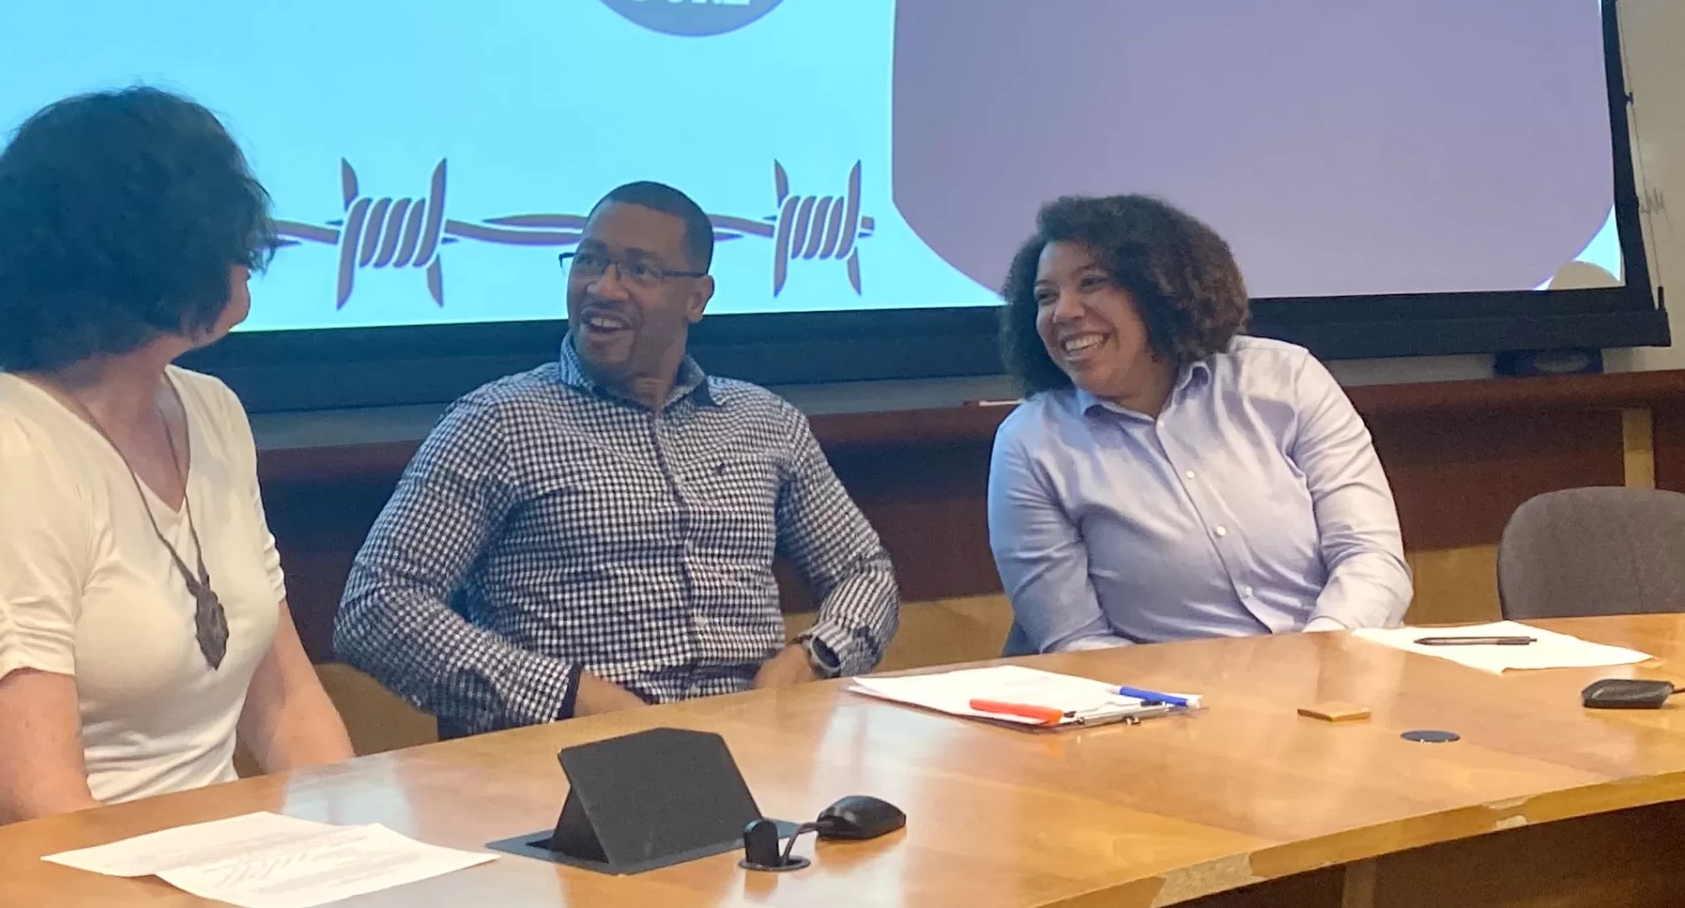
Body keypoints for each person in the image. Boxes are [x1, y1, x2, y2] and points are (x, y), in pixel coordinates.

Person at [0, 88, 353, 852]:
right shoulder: (0, 451)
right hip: (2, 884)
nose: (247, 254)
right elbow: (35, 803)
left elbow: (284, 701)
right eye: (221, 232)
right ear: (142, 260)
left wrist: (356, 850)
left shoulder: (211, 412)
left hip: (198, 870)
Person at [332, 181, 899, 737]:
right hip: (574, 755)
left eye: (639, 271)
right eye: (588, 262)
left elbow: (863, 573)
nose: (603, 288)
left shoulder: (764, 422)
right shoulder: (500, 422)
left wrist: (809, 659)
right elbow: (375, 606)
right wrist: (571, 695)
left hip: (755, 738)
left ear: (697, 298)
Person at [987, 193, 1412, 652]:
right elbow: (1077, 642)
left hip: (1341, 674)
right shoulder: (1032, 444)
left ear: (1160, 288)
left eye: (1091, 282)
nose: (1063, 312)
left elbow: (1371, 557)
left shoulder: (1285, 379)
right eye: (1045, 296)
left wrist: (1317, 659)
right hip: (1170, 709)